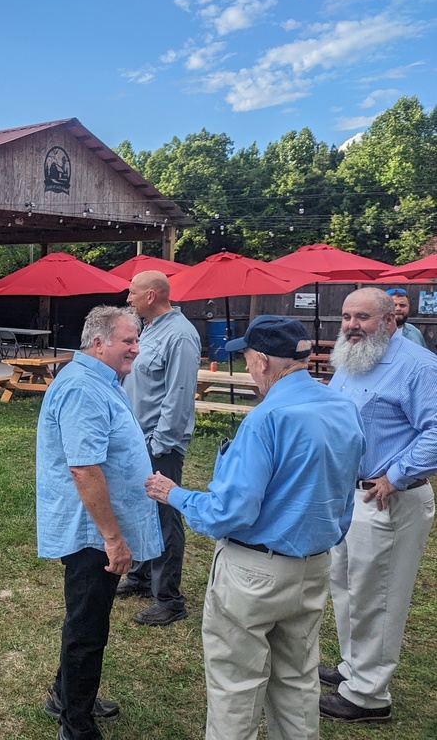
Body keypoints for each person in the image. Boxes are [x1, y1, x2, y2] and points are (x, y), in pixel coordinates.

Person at [146, 316, 365, 740]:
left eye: (246, 359)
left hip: (254, 572)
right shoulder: (342, 407)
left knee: (236, 685)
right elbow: (343, 493)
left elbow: (230, 512)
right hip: (314, 564)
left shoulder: (266, 419)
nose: (247, 368)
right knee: (298, 679)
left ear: (263, 361)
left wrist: (175, 495)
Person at [37, 306, 163, 740]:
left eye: (136, 340)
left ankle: (65, 695)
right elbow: (84, 469)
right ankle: (76, 725)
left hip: (98, 528)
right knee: (87, 629)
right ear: (98, 342)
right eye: (128, 340)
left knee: (87, 618)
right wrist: (113, 539)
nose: (136, 348)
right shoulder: (83, 389)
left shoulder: (100, 381)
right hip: (92, 533)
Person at [319, 287, 437, 724]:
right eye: (347, 316)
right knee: (347, 587)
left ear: (389, 320)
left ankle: (368, 696)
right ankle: (354, 667)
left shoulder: (418, 366)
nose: (351, 325)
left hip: (387, 498)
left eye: (362, 317)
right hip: (347, 495)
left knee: (379, 597)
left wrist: (396, 475)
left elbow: (436, 430)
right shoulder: (353, 358)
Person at [120, 270, 201, 626]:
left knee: (164, 516)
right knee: (141, 508)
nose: (128, 299)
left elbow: (179, 396)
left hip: (159, 444)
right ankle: (140, 576)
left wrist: (160, 444)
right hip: (139, 440)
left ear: (151, 295)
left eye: (133, 292)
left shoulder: (180, 335)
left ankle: (169, 599)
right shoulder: (150, 329)